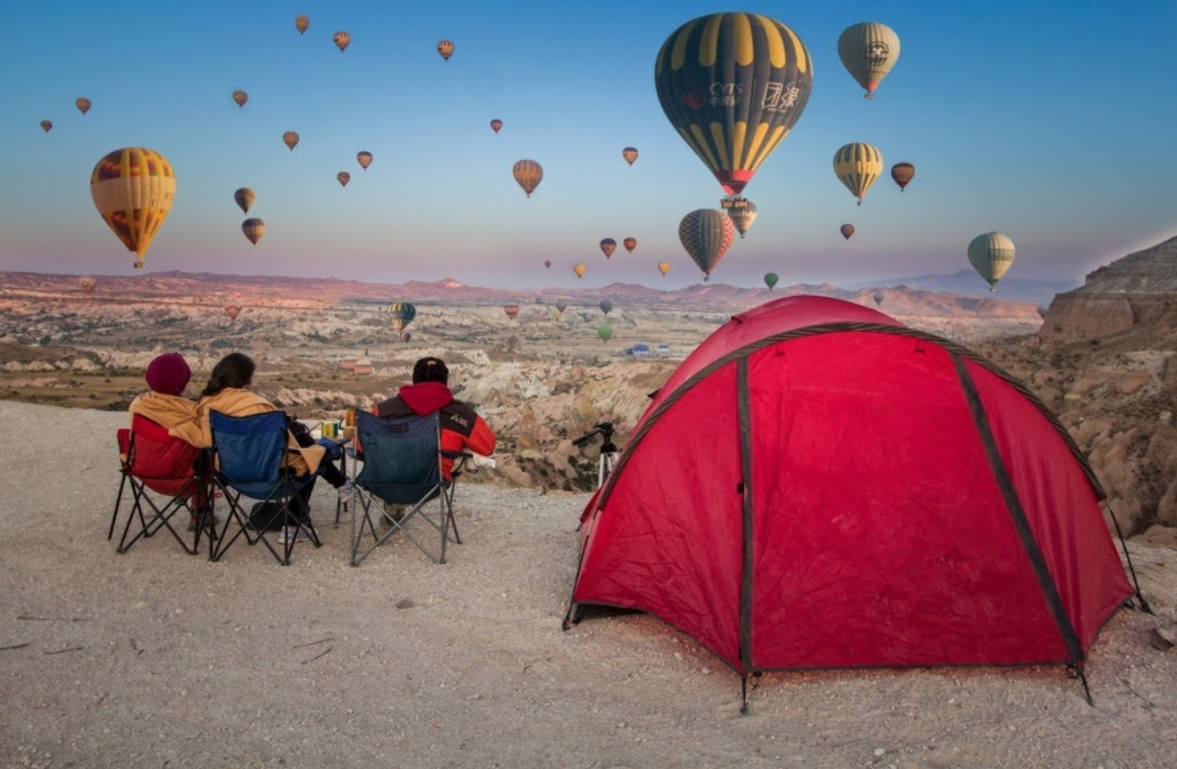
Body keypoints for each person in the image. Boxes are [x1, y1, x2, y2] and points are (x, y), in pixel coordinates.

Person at [171, 353, 350, 543]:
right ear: (246, 380)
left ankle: (341, 484)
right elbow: (284, 444)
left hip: (231, 476)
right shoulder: (257, 405)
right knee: (310, 458)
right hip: (272, 478)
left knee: (308, 451)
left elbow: (206, 441)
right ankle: (293, 525)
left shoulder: (206, 406)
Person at [371, 357, 496, 523]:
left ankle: (394, 506)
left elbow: (361, 448)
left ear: (414, 380)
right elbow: (487, 447)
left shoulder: (384, 409)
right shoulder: (460, 414)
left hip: (383, 482)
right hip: (431, 485)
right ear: (445, 381)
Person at [125, 352, 210, 533]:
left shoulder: (137, 406)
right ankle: (200, 511)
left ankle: (191, 502)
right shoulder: (191, 411)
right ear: (183, 381)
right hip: (183, 477)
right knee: (205, 457)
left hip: (144, 472)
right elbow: (204, 440)